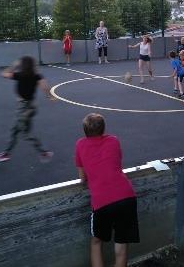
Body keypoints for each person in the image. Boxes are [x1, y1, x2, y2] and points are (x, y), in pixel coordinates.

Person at [75, 113, 139, 267]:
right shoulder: (113, 141)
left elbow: (83, 178)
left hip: (102, 202)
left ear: (84, 131)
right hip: (126, 196)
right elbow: (115, 163)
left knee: (96, 242)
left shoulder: (80, 145)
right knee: (121, 246)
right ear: (103, 129)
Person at [0, 56, 55, 163]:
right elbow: (45, 87)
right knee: (15, 130)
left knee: (25, 133)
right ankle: (6, 153)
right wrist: (49, 96)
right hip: (31, 107)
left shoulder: (19, 75)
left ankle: (44, 152)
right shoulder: (36, 75)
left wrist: (14, 65)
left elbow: (3, 74)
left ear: (22, 65)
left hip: (24, 108)